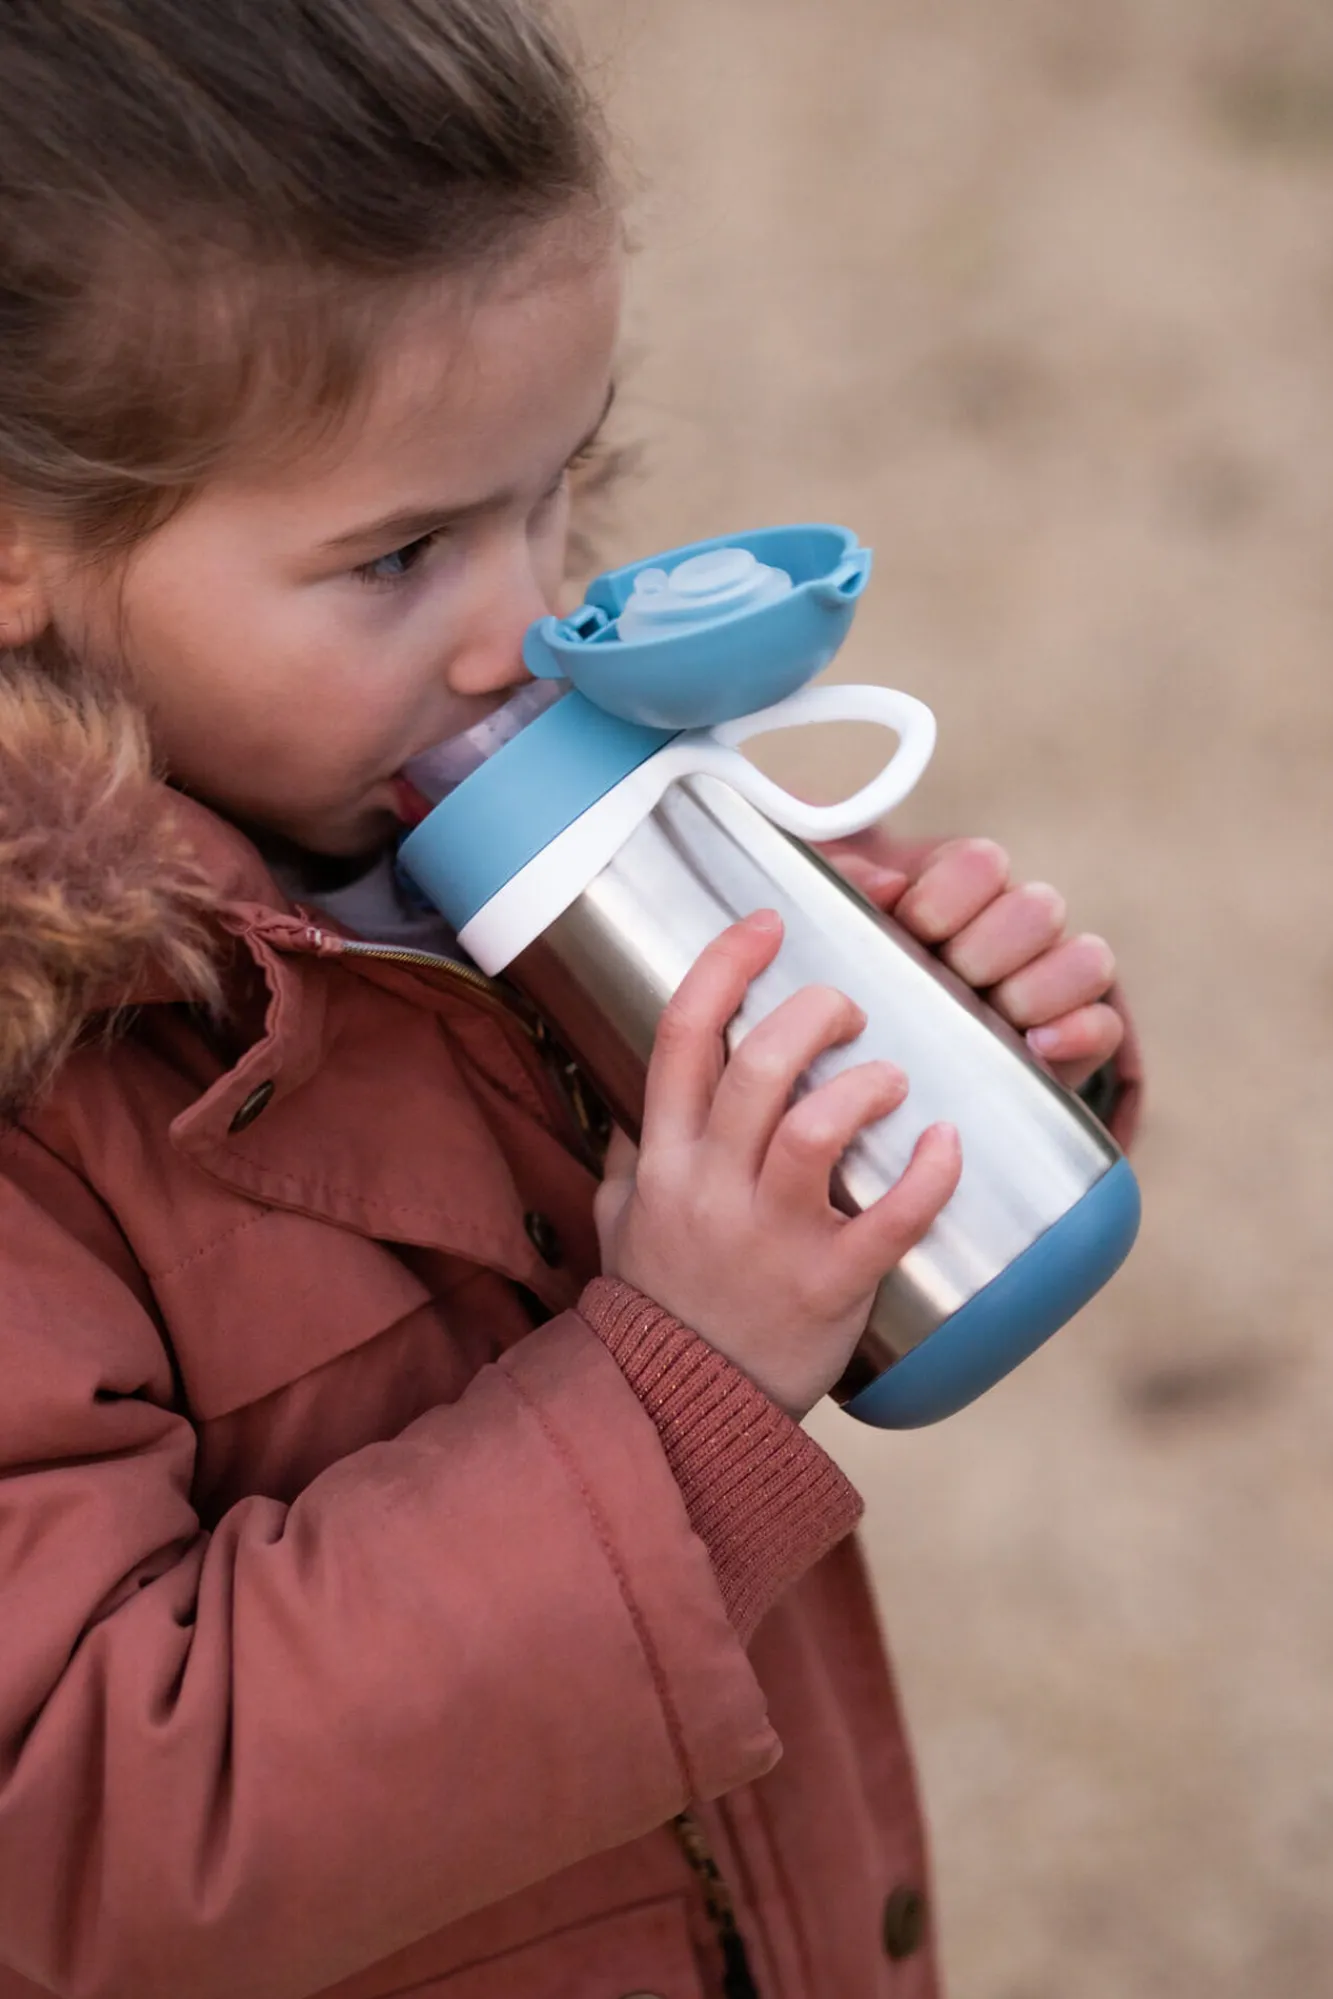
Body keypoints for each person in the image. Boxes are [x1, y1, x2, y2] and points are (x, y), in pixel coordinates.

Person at [0, 5, 1138, 1995]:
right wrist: (676, 1390)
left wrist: (946, 1050)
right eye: (402, 555)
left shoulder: (462, 788)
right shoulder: (40, 1101)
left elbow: (833, 1214)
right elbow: (90, 1820)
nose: (529, 628)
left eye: (561, 486)